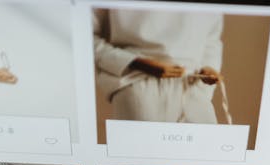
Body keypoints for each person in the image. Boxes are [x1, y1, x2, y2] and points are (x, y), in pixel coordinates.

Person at [93, 8, 224, 125]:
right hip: (138, 83)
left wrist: (209, 68)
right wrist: (135, 62)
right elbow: (86, 35)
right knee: (140, 151)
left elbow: (212, 39)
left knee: (206, 149)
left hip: (193, 83)